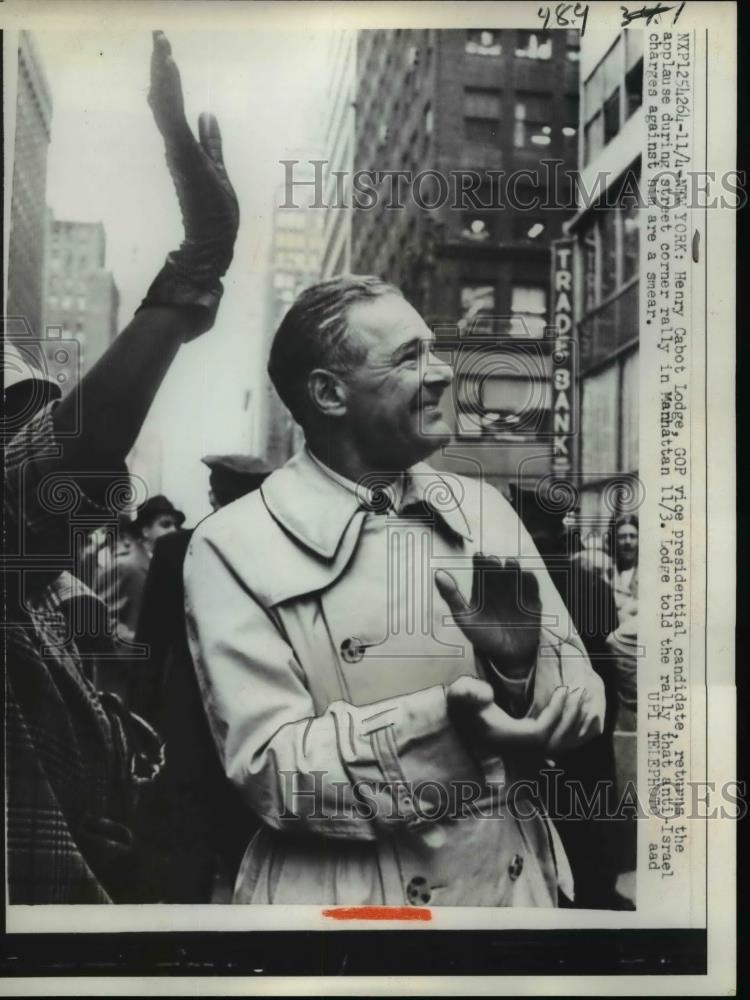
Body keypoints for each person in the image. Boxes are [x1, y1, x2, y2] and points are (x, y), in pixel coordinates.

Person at [185, 276, 606, 907]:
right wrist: (453, 728)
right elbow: (273, 772)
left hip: (506, 890)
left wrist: (518, 674)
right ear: (329, 393)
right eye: (411, 357)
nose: (442, 374)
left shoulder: (483, 508)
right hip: (347, 909)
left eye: (433, 350)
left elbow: (578, 692)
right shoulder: (232, 544)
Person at [4, 29, 240, 903]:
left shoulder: (46, 603)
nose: (31, 441)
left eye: (35, 413)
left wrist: (92, 799)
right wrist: (197, 263)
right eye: (12, 425)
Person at [128, 454, 272, 902]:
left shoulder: (176, 550)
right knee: (251, 856)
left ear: (213, 495)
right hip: (259, 721)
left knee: (186, 855)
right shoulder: (279, 552)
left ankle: (183, 956)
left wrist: (140, 721)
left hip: (189, 721)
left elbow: (150, 644)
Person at [609, 514, 639, 624]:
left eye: (632, 536)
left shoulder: (648, 575)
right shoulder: (605, 573)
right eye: (622, 536)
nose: (627, 541)